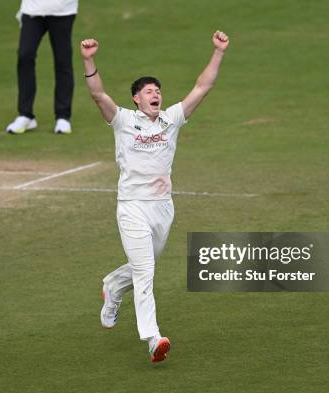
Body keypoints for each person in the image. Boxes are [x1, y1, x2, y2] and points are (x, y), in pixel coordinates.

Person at [80, 31, 230, 362]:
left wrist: (218, 52)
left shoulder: (171, 120)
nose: (155, 94)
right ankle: (153, 337)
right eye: (149, 91)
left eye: (158, 91)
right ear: (136, 98)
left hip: (163, 209)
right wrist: (89, 59)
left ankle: (114, 285)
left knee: (143, 266)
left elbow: (202, 87)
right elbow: (98, 95)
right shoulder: (122, 121)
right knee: (146, 273)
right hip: (132, 207)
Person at [6, 0, 77, 135]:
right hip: (32, 10)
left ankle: (63, 117)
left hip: (63, 11)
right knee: (25, 55)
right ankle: (26, 115)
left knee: (63, 61)